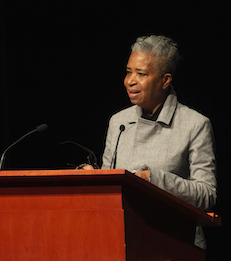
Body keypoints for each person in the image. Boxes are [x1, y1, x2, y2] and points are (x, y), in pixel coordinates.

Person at [91, 35, 217, 249]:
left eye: (141, 74)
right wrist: (93, 177)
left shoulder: (195, 124)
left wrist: (154, 180)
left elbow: (207, 195)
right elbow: (109, 188)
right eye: (129, 72)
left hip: (176, 242)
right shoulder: (119, 122)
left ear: (165, 80)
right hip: (122, 240)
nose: (130, 81)